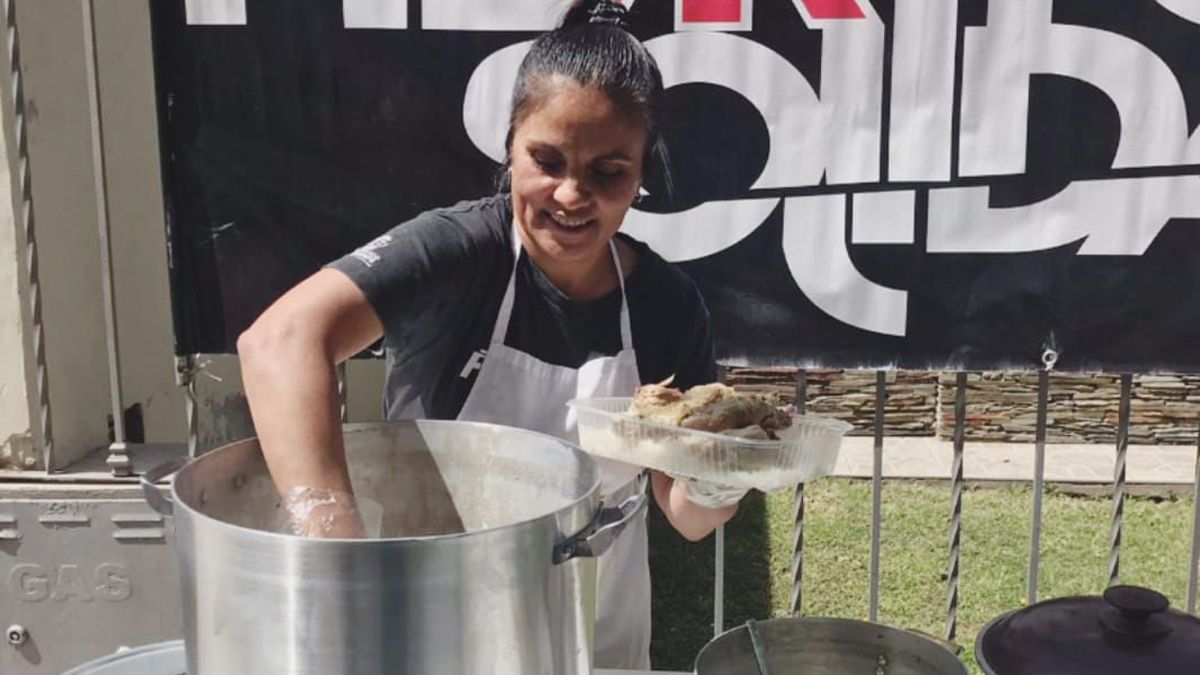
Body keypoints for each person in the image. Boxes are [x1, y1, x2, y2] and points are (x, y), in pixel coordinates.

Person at [236, 0, 740, 669]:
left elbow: (684, 513)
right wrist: (336, 545)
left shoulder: (668, 307)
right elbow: (278, 342)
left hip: (593, 646)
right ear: (509, 146)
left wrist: (724, 474)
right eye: (547, 159)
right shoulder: (458, 253)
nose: (569, 194)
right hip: (430, 638)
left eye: (607, 171)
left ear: (642, 175)